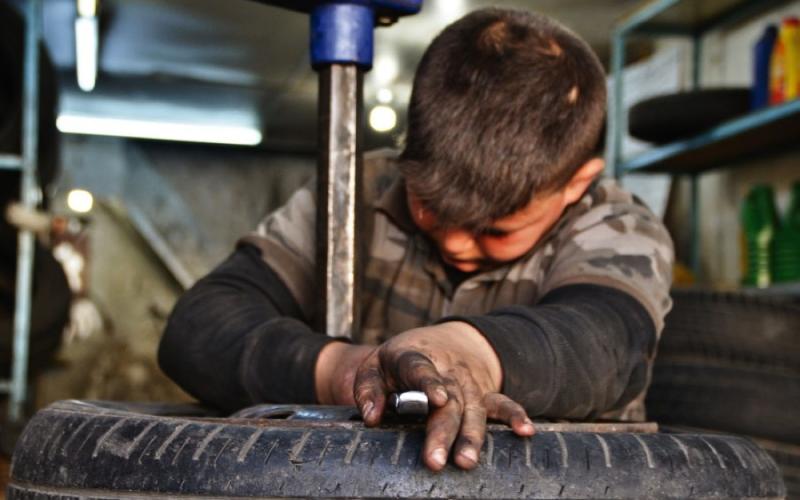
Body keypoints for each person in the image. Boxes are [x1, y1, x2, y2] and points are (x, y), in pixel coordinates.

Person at [159, 7, 673, 472]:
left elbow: (607, 341)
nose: (456, 244)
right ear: (408, 149)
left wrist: (467, 353)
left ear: (576, 184)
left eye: (495, 230)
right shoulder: (354, 191)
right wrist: (347, 370)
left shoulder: (617, 225)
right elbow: (201, 326)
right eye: (429, 206)